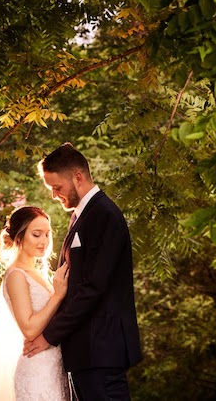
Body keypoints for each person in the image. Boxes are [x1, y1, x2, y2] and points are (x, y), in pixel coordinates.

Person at [24, 143, 142, 400]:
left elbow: (93, 287)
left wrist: (50, 336)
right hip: (87, 351)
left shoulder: (104, 215)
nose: (54, 195)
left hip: (101, 350)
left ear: (77, 177)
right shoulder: (83, 215)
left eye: (57, 187)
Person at [0, 206, 71, 400]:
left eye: (47, 234)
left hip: (53, 367)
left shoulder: (39, 273)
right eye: (37, 234)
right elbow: (29, 329)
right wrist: (57, 296)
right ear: (19, 238)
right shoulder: (16, 275)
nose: (44, 241)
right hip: (36, 372)